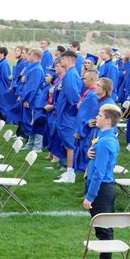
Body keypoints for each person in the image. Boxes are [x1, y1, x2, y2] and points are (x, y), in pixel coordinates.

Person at [82, 104, 122, 259]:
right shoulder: (107, 137)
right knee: (104, 228)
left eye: (99, 115)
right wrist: (90, 153)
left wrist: (90, 197)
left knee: (104, 229)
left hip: (102, 189)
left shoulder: (105, 142)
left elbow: (98, 173)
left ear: (107, 120)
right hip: (105, 187)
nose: (96, 117)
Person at [53, 50, 82, 183]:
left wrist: (71, 113)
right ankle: (69, 171)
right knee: (67, 145)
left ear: (69, 59)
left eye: (62, 59)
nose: (60, 61)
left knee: (70, 146)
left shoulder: (70, 75)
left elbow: (74, 98)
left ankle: (71, 174)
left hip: (67, 116)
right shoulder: (69, 74)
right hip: (65, 115)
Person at [74, 70, 99, 173]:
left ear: (92, 79)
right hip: (82, 126)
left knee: (84, 149)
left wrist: (80, 131)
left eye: (85, 78)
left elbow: (87, 115)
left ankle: (83, 169)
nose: (83, 80)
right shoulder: (88, 91)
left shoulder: (92, 95)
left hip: (86, 129)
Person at [20, 50, 46, 152]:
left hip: (35, 100)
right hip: (33, 99)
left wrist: (27, 100)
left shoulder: (37, 69)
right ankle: (30, 143)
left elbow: (33, 87)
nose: (28, 56)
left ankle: (37, 146)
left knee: (35, 122)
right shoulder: (34, 67)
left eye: (30, 54)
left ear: (35, 56)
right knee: (31, 122)